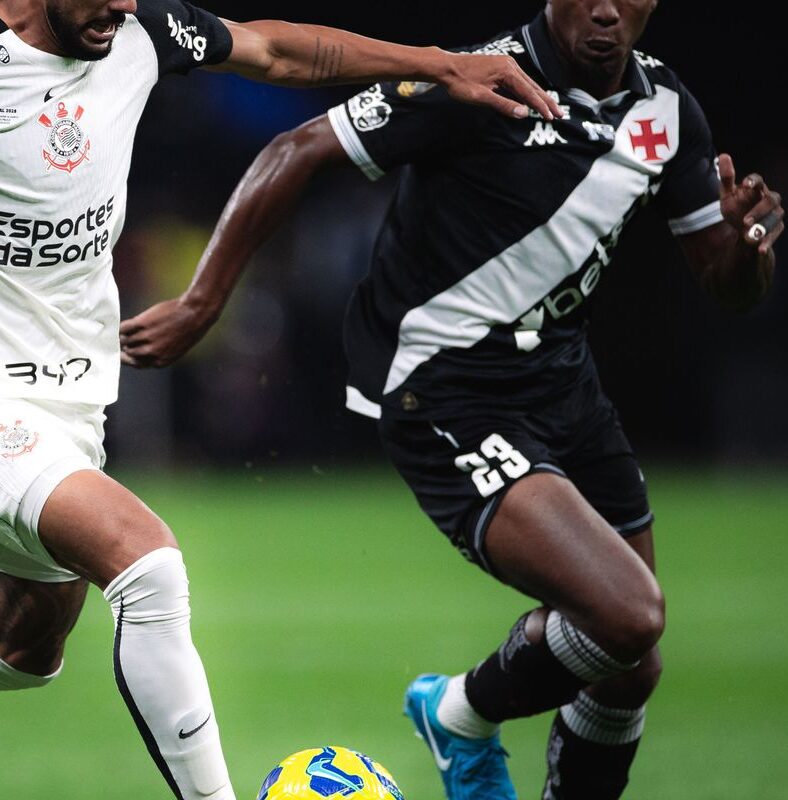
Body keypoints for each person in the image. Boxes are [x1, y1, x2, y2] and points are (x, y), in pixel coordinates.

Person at [0, 0, 565, 797]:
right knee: (149, 563)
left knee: (18, 649)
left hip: (71, 399)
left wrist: (440, 64)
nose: (123, 6)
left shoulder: (135, 29)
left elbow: (282, 51)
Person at [119, 0, 782, 798]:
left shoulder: (668, 110)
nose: (606, 10)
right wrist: (202, 302)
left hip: (566, 389)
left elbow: (725, 281)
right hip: (444, 390)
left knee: (629, 664)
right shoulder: (476, 81)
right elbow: (297, 147)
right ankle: (459, 713)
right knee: (628, 615)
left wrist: (748, 251)